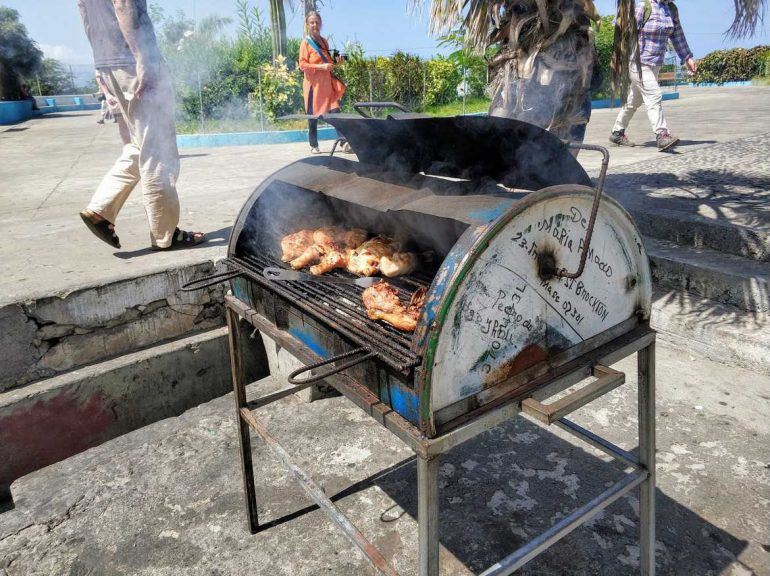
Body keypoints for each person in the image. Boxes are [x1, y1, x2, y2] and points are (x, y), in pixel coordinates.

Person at [77, 0, 204, 250]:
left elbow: (84, 8)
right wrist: (142, 59)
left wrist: (100, 63)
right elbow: (124, 5)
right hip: (132, 61)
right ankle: (165, 235)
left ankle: (100, 209)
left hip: (109, 61)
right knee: (159, 151)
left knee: (140, 145)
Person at [609, 0, 697, 152]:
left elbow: (677, 35)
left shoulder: (670, 9)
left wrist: (687, 57)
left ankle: (617, 132)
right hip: (637, 62)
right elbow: (622, 30)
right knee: (654, 94)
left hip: (655, 64)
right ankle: (662, 135)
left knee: (634, 100)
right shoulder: (643, 6)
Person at [299, 11, 349, 154]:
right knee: (313, 116)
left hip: (326, 86)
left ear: (320, 23)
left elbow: (328, 63)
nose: (315, 25)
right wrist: (321, 67)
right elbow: (302, 65)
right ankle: (313, 144)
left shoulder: (324, 41)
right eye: (312, 22)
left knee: (335, 112)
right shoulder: (305, 43)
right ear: (307, 25)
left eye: (317, 22)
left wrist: (337, 63)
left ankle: (343, 142)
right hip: (313, 87)